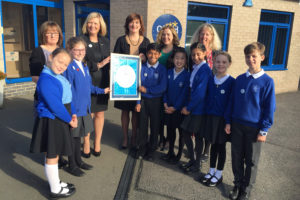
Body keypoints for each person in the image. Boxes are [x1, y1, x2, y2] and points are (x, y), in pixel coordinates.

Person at [228, 42, 276, 200]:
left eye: (254, 56)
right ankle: (237, 184)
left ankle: (246, 190)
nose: (250, 59)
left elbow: (269, 108)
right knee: (236, 158)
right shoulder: (240, 79)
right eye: (247, 56)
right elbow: (232, 102)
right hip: (237, 126)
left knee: (251, 161)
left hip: (254, 128)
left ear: (262, 57)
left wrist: (264, 130)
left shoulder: (267, 82)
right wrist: (228, 122)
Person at [30, 48, 76, 198]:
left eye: (65, 64)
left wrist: (73, 113)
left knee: (54, 153)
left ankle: (55, 181)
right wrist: (70, 120)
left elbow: (68, 96)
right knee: (52, 153)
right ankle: (55, 189)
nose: (62, 66)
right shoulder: (45, 79)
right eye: (59, 61)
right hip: (52, 120)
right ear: (51, 57)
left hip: (59, 119)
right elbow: (55, 105)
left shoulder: (58, 76)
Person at [64, 37, 110, 176]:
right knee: (73, 138)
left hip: (85, 108)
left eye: (82, 49)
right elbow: (68, 92)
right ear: (70, 50)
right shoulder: (69, 68)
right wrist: (72, 111)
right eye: (76, 49)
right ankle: (72, 164)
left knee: (78, 137)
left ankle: (78, 161)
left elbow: (89, 86)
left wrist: (102, 91)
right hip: (75, 110)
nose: (80, 52)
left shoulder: (83, 66)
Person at [29, 21, 68, 169]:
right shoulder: (38, 51)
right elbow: (35, 76)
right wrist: (52, 87)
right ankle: (49, 157)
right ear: (44, 35)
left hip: (62, 97)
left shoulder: (62, 51)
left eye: (56, 33)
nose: (53, 35)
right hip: (46, 97)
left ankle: (58, 155)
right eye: (49, 33)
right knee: (47, 129)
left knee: (59, 127)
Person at [113, 13, 150, 149]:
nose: (134, 25)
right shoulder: (121, 40)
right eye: (131, 22)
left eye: (137, 22)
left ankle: (134, 137)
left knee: (135, 111)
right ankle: (125, 138)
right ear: (127, 24)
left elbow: (151, 59)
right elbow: (116, 60)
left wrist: (145, 58)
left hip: (138, 81)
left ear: (140, 25)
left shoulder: (146, 41)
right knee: (124, 111)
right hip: (123, 81)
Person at [199, 51, 235, 187]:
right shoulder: (211, 79)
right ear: (214, 62)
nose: (220, 64)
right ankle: (211, 170)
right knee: (213, 144)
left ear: (229, 64)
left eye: (224, 62)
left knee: (221, 146)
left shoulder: (232, 82)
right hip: (210, 118)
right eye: (218, 61)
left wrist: (228, 122)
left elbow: (232, 104)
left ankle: (219, 174)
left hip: (222, 120)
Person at [190, 23, 222, 162]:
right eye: (202, 33)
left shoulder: (216, 54)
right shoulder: (194, 51)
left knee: (208, 123)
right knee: (198, 124)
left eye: (207, 34)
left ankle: (206, 151)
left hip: (212, 94)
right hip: (198, 94)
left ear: (212, 37)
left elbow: (221, 71)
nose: (204, 36)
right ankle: (197, 149)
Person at [81, 12, 110, 157]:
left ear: (100, 26)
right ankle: (86, 142)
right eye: (90, 22)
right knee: (88, 114)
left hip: (103, 82)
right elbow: (81, 61)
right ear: (86, 24)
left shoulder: (105, 41)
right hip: (88, 82)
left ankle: (97, 142)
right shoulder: (81, 40)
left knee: (100, 114)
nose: (92, 25)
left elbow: (111, 62)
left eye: (96, 23)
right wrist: (99, 64)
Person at [179, 42, 211, 173]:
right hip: (194, 107)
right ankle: (193, 160)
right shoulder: (195, 67)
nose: (195, 57)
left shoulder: (205, 70)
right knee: (187, 133)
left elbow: (200, 93)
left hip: (198, 109)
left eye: (198, 54)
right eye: (193, 55)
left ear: (205, 54)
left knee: (195, 136)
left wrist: (189, 107)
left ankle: (196, 163)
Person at [135, 43, 167, 161]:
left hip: (156, 102)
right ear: (146, 54)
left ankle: (152, 150)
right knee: (142, 126)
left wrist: (148, 90)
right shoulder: (142, 67)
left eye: (155, 53)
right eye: (150, 53)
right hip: (143, 101)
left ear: (159, 55)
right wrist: (138, 102)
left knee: (155, 126)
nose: (152, 55)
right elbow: (137, 87)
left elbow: (162, 87)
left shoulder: (162, 69)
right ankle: (141, 148)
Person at [161, 47, 190, 164]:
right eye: (177, 58)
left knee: (181, 133)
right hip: (168, 108)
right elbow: (165, 90)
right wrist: (165, 103)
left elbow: (184, 94)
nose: (179, 61)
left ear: (186, 61)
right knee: (170, 131)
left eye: (182, 59)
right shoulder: (168, 73)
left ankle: (178, 155)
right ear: (173, 59)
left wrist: (175, 107)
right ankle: (170, 152)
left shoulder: (187, 75)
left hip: (179, 110)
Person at [156, 25, 180, 150]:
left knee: (170, 118)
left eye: (168, 34)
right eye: (164, 34)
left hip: (172, 88)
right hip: (158, 87)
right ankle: (161, 138)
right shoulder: (157, 49)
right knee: (159, 116)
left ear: (173, 36)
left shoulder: (178, 51)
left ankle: (170, 141)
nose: (166, 37)